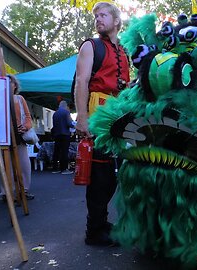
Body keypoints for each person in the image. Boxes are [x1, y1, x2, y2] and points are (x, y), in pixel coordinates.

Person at [74, 2, 130, 246]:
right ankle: (94, 230)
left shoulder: (125, 51)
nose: (98, 19)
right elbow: (81, 82)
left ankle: (101, 221)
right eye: (96, 16)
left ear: (116, 21)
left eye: (103, 15)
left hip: (118, 117)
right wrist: (83, 118)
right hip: (97, 115)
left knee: (112, 175)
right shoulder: (90, 46)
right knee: (99, 175)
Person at [8, 74, 34, 200]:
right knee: (7, 165)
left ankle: (24, 190)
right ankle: (8, 193)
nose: (8, 85)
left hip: (19, 136)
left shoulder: (19, 98)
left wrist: (26, 127)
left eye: (11, 82)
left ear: (15, 86)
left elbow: (28, 117)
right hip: (5, 136)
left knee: (23, 164)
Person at [51, 100, 74, 174]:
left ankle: (55, 168)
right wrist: (74, 126)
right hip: (65, 134)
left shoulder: (55, 113)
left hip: (57, 134)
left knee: (56, 151)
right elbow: (69, 123)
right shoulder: (66, 112)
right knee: (64, 152)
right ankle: (64, 169)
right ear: (66, 106)